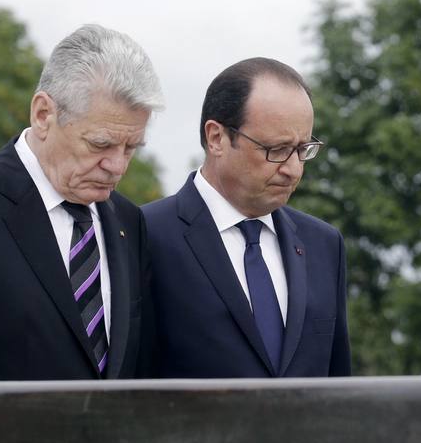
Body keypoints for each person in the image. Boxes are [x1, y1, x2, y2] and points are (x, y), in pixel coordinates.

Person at [0, 24, 164, 380]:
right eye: (100, 144)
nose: (117, 166)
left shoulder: (128, 220)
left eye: (131, 148)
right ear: (44, 114)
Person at [143, 57, 351, 377]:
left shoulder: (324, 244)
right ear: (217, 138)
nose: (293, 168)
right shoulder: (145, 235)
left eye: (303, 149)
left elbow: (338, 385)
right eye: (276, 149)